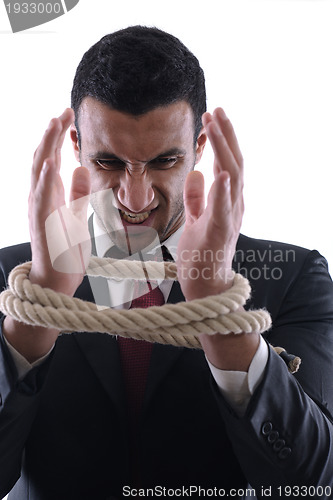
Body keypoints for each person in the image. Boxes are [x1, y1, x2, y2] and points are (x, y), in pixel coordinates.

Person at [0, 26, 333, 500]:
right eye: (109, 162)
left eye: (164, 161)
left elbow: (315, 486)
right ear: (76, 146)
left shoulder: (294, 279)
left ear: (199, 148)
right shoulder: (11, 284)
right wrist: (39, 310)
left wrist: (220, 311)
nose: (135, 198)